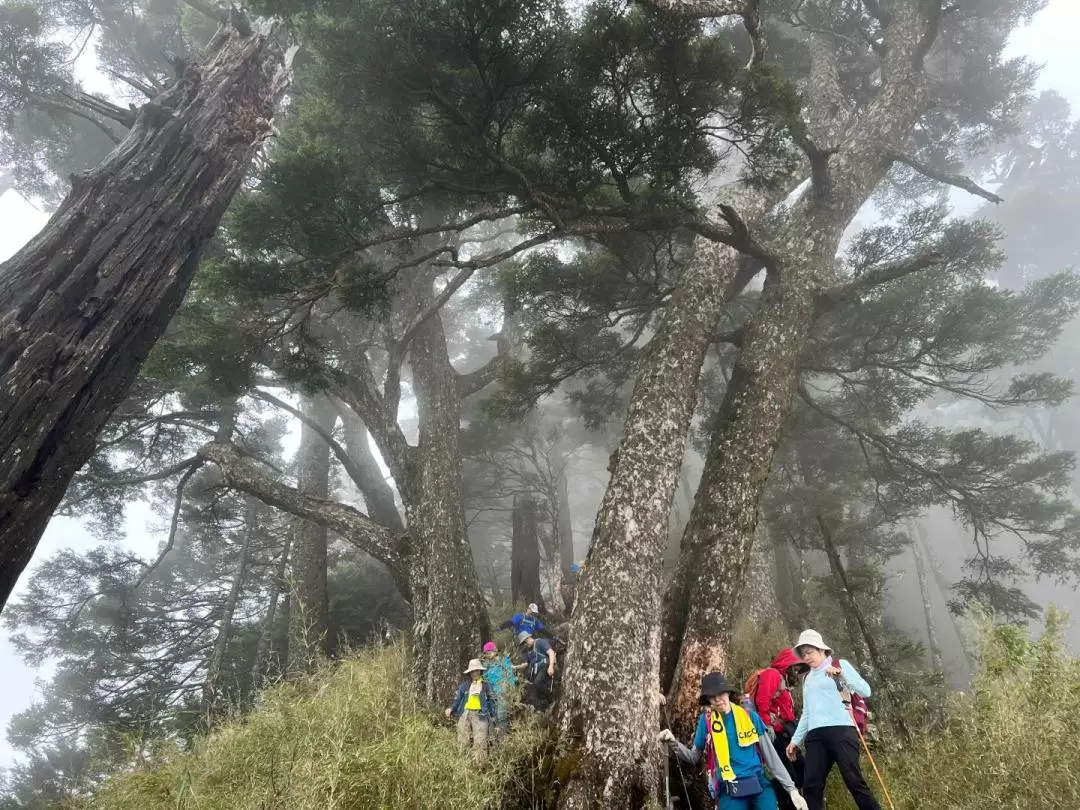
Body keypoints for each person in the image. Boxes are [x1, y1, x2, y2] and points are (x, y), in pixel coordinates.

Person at [658, 672, 808, 810]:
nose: (717, 699)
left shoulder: (750, 717)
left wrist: (792, 790)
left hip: (758, 784)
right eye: (712, 696)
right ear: (708, 699)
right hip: (729, 789)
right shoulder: (707, 721)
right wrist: (673, 742)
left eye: (721, 693)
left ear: (728, 692)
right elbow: (693, 757)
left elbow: (771, 758)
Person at [785, 630, 880, 810]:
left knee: (854, 781)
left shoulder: (840, 665)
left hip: (842, 731)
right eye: (803, 653)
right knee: (812, 784)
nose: (807, 657)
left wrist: (841, 674)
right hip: (815, 736)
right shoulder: (807, 677)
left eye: (810, 651)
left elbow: (866, 691)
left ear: (821, 650)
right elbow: (807, 712)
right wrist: (795, 741)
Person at [746, 649, 808, 810]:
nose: (796, 672)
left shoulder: (783, 682)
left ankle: (766, 791)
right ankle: (765, 794)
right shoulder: (772, 674)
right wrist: (767, 725)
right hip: (776, 735)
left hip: (785, 734)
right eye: (795, 668)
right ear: (787, 664)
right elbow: (762, 700)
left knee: (803, 771)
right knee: (790, 777)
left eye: (798, 670)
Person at [445, 658, 492, 765]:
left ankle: (480, 769)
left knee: (480, 743)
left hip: (481, 714)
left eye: (477, 670)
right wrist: (452, 709)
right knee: (462, 742)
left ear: (480, 671)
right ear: (470, 673)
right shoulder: (465, 685)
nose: (475, 673)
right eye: (472, 671)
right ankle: (463, 768)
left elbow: (492, 702)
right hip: (465, 714)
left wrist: (494, 718)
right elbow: (458, 699)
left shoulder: (486, 686)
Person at [513, 630, 556, 711]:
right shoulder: (528, 651)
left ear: (528, 639)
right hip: (536, 671)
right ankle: (543, 709)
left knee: (538, 682)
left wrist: (551, 666)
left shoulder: (539, 642)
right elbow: (526, 664)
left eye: (525, 643)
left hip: (545, 666)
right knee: (534, 688)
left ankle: (552, 699)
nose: (525, 645)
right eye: (523, 644)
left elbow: (551, 652)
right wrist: (515, 667)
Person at [481, 640, 515, 735]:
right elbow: (484, 679)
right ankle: (495, 741)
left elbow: (510, 676)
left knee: (502, 716)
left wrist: (511, 690)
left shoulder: (504, 661)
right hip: (491, 694)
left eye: (488, 652)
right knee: (493, 717)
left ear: (494, 651)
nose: (487, 655)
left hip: (503, 692)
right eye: (485, 653)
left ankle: (503, 740)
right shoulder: (486, 665)